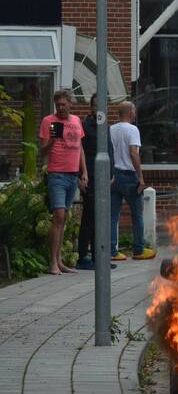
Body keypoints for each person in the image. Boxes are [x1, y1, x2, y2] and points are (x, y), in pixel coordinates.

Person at [38, 90, 87, 275]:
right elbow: (42, 152)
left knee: (64, 218)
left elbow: (80, 148)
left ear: (70, 104)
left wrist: (85, 172)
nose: (60, 107)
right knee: (58, 216)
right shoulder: (48, 121)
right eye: (57, 104)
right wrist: (53, 140)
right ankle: (52, 262)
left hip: (73, 175)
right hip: (56, 174)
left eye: (63, 104)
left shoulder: (76, 121)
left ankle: (59, 261)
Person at [109, 101, 155, 261]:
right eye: (134, 111)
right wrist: (140, 177)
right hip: (129, 175)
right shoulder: (133, 130)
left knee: (113, 214)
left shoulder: (111, 129)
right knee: (137, 214)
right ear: (129, 113)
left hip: (114, 175)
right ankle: (138, 249)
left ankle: (112, 251)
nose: (135, 114)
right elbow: (134, 153)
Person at [76, 95, 116, 270]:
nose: (99, 109)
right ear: (90, 108)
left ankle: (98, 257)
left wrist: (112, 172)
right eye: (95, 105)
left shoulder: (105, 127)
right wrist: (80, 176)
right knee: (89, 218)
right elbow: (79, 152)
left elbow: (109, 149)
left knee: (101, 218)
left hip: (104, 178)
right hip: (90, 177)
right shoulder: (84, 127)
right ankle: (82, 256)